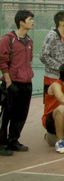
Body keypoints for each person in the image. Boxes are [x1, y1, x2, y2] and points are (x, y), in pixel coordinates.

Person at [0, 10, 35, 155]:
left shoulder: (29, 41)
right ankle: (2, 144)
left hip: (26, 83)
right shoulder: (8, 39)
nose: (32, 22)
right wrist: (8, 82)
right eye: (30, 19)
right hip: (12, 84)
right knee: (7, 114)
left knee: (21, 114)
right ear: (21, 22)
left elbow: (29, 60)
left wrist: (28, 75)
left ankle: (13, 141)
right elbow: (2, 61)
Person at [40, 11, 64, 101]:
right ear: (61, 22)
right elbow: (43, 56)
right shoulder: (51, 35)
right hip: (52, 78)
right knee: (51, 106)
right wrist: (61, 68)